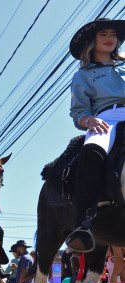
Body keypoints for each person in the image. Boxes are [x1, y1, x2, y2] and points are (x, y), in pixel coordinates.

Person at [65, 18, 125, 252]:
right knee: (91, 152)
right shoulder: (82, 76)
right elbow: (78, 112)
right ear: (92, 42)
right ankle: (85, 221)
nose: (110, 38)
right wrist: (89, 120)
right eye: (103, 35)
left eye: (113, 34)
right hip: (105, 120)